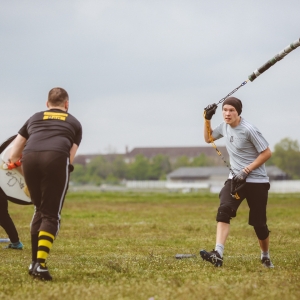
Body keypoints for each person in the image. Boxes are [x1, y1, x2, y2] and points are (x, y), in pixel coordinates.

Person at [10, 87, 82, 280]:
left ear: (47, 104)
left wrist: (26, 176)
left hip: (30, 157)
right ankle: (40, 264)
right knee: (51, 214)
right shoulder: (74, 122)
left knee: (39, 210)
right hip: (56, 158)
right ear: (66, 104)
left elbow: (13, 155)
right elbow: (69, 159)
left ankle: (34, 263)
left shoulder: (34, 118)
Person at [200, 96, 274, 268]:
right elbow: (208, 138)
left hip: (256, 181)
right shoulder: (224, 127)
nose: (227, 113)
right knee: (224, 210)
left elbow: (267, 153)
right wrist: (207, 119)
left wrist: (247, 170)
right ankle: (218, 254)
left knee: (259, 224)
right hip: (235, 180)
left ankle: (265, 256)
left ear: (238, 112)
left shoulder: (249, 129)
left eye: (231, 110)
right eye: (225, 110)